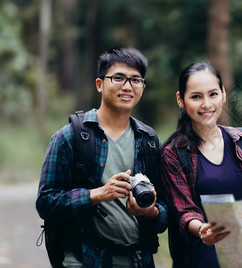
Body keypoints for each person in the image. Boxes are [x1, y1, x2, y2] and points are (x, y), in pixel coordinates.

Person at [36, 46, 167, 267]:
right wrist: (97, 195)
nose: (127, 86)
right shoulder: (70, 136)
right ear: (100, 84)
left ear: (142, 88)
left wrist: (150, 211)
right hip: (84, 259)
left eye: (135, 80)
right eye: (118, 78)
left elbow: (164, 213)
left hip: (138, 260)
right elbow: (46, 202)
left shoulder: (149, 140)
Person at [160, 62, 242, 267]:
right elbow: (184, 211)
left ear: (224, 94)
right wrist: (201, 229)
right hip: (200, 260)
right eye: (196, 97)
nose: (206, 104)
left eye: (213, 94)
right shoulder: (173, 154)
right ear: (180, 100)